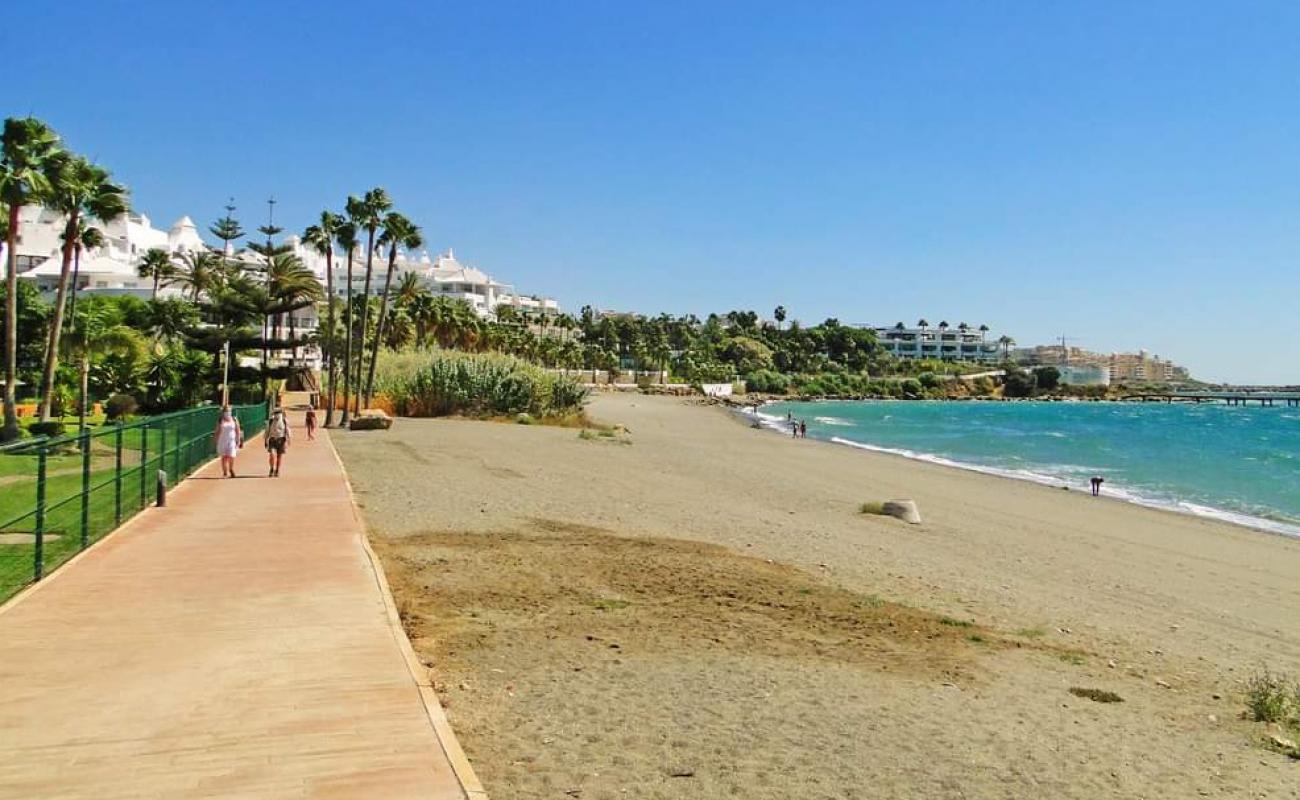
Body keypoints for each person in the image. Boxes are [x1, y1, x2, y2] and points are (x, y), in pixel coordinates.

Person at [214, 407, 243, 478]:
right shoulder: (221, 420)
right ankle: (225, 472)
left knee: (231, 456)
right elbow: (217, 431)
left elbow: (238, 430)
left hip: (231, 440)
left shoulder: (234, 419)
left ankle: (231, 469)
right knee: (224, 457)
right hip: (222, 440)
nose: (228, 412)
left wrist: (238, 440)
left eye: (229, 411)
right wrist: (216, 440)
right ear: (223, 412)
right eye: (226, 411)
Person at [265, 408, 291, 477]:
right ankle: (271, 468)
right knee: (272, 454)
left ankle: (277, 470)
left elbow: (287, 430)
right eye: (276, 413)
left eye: (278, 413)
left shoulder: (284, 420)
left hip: (281, 439)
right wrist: (266, 440)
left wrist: (288, 440)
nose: (277, 414)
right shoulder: (271, 421)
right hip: (272, 439)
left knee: (279, 456)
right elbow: (267, 430)